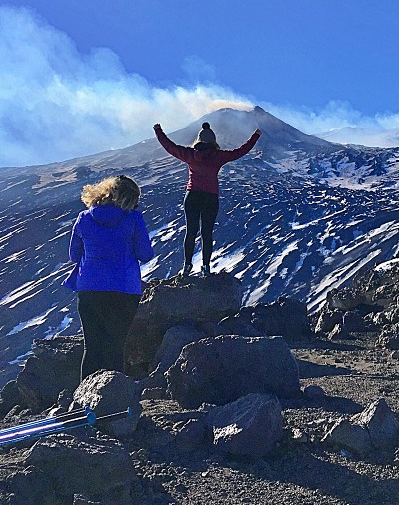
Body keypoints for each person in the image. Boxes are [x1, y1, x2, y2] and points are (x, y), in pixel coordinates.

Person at [63, 175, 154, 379]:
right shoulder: (133, 219)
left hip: (89, 289)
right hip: (124, 290)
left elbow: (73, 256)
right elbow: (145, 254)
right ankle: (113, 400)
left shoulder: (84, 218)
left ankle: (84, 404)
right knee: (115, 347)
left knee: (92, 348)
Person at [153, 121, 262, 276]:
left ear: (198, 140)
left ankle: (187, 266)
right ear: (213, 141)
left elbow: (169, 146)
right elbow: (240, 151)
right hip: (210, 197)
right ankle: (206, 267)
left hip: (192, 195)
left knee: (191, 231)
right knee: (207, 233)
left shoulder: (190, 154)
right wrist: (255, 136)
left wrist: (158, 131)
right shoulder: (218, 156)